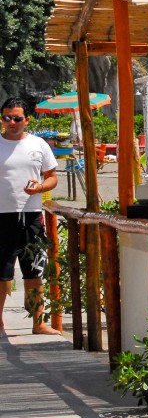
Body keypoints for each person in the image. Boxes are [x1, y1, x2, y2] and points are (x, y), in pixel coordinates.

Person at [0, 97, 60, 335]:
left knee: (34, 271)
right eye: (6, 118)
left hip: (31, 216)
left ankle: (39, 323)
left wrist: (40, 188)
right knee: (2, 274)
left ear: (26, 119)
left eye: (16, 118)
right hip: (1, 216)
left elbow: (52, 177)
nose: (11, 122)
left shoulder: (39, 145)